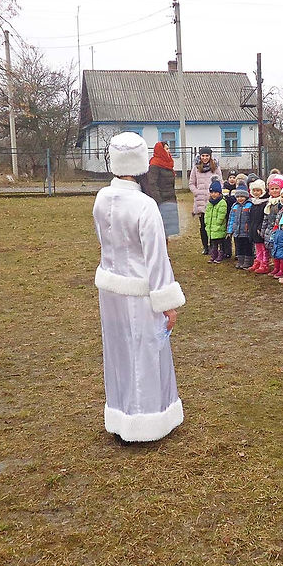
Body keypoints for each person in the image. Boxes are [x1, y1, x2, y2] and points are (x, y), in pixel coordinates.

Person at [93, 132, 185, 443]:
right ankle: (144, 420)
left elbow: (104, 242)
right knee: (145, 352)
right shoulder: (145, 206)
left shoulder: (101, 198)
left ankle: (122, 413)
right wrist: (167, 303)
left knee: (119, 352)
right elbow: (156, 259)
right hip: (139, 291)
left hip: (111, 289)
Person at [188, 146, 222, 255]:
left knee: (212, 224)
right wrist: (196, 192)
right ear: (200, 156)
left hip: (212, 200)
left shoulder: (215, 167)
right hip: (201, 200)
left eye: (207, 156)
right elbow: (191, 183)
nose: (205, 158)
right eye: (203, 155)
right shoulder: (196, 168)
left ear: (210, 156)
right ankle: (205, 246)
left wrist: (215, 193)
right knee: (203, 225)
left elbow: (220, 182)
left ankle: (213, 246)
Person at [146, 142, 179, 238]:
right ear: (160, 150)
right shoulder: (154, 164)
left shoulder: (168, 163)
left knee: (167, 229)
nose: (169, 151)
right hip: (161, 201)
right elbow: (152, 184)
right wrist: (158, 201)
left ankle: (165, 250)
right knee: (160, 229)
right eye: (166, 149)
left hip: (170, 199)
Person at [261, 175, 283, 274]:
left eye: (277, 188)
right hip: (270, 229)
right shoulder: (269, 203)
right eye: (272, 189)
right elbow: (266, 218)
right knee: (273, 249)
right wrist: (264, 230)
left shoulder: (282, 203)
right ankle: (276, 267)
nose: (275, 191)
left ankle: (282, 268)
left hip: (279, 230)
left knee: (281, 249)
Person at [227, 183, 254, 269]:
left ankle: (248, 261)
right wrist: (230, 230)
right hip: (237, 231)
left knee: (247, 246)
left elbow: (251, 219)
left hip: (246, 231)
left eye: (242, 196)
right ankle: (240, 260)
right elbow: (231, 219)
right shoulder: (235, 206)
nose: (240, 199)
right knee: (239, 246)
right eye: (238, 197)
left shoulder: (250, 205)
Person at [246, 180, 270, 273]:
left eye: (258, 191)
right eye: (254, 190)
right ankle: (258, 261)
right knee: (257, 247)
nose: (256, 193)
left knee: (263, 248)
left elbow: (264, 217)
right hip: (253, 227)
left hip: (260, 228)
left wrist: (260, 228)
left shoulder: (264, 203)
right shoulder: (253, 202)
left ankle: (265, 263)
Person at [204, 179, 229, 263]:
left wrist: (218, 223)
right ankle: (213, 255)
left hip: (219, 227)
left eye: (215, 192)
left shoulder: (222, 202)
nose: (213, 194)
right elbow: (207, 213)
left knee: (220, 243)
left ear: (219, 193)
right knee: (213, 243)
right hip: (211, 226)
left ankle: (220, 255)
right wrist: (207, 222)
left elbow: (222, 215)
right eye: (212, 192)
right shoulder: (210, 203)